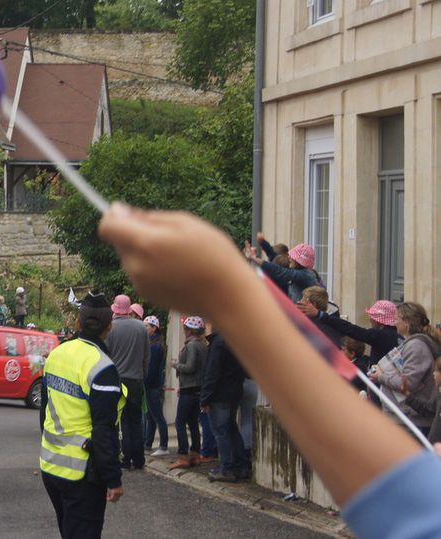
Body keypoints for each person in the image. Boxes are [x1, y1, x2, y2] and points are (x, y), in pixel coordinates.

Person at [98, 202, 441, 538]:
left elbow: (408, 502)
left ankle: (229, 465)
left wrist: (228, 290)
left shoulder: (305, 280)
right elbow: (412, 502)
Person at [39, 290, 124, 538]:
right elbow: (104, 429)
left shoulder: (57, 354)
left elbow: (44, 411)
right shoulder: (102, 367)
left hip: (50, 466)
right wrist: (113, 478)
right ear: (109, 327)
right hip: (82, 473)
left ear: (77, 323)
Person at [368, 302, 441, 436]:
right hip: (404, 419)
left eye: (397, 319)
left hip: (410, 421)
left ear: (406, 322)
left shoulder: (416, 346)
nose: (394, 323)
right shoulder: (412, 343)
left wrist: (381, 376)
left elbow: (407, 384)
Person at [201, 322, 249, 482]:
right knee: (231, 428)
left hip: (220, 393)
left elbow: (212, 371)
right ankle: (241, 465)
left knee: (221, 431)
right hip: (234, 391)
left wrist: (205, 397)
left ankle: (227, 468)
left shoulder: (219, 342)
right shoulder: (236, 340)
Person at [105, 294, 149, 470]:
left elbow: (105, 356)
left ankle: (123, 458)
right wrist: (142, 375)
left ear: (115, 309)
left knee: (119, 421)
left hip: (117, 380)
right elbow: (146, 357)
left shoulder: (111, 328)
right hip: (136, 380)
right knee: (135, 421)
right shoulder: (141, 328)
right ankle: (139, 460)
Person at [299, 299, 400, 367]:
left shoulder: (380, 335)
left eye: (372, 316)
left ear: (378, 320)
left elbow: (350, 329)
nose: (370, 319)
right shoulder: (397, 334)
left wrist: (320, 315)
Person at [169, 316, 207, 470]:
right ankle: (195, 453)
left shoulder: (192, 345)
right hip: (198, 388)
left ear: (190, 330)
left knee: (180, 422)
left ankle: (183, 454)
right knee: (192, 422)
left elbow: (190, 367)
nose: (184, 331)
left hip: (190, 389)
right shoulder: (203, 345)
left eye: (185, 329)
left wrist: (176, 365)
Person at [244, 240, 318, 303]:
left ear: (299, 261)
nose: (289, 257)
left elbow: (278, 270)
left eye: (293, 256)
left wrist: (254, 258)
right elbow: (274, 258)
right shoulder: (299, 271)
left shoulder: (304, 275)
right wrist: (255, 256)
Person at [142, 315, 169, 457]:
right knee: (150, 417)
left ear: (154, 328)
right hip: (152, 385)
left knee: (157, 416)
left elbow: (151, 370)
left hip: (152, 386)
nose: (144, 328)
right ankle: (147, 444)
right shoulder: (153, 344)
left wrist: (145, 383)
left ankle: (164, 445)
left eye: (147, 326)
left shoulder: (155, 346)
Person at [403, 357, 441, 444]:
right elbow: (428, 409)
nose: (433, 373)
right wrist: (407, 394)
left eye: (436, 370)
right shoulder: (438, 392)